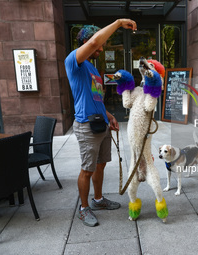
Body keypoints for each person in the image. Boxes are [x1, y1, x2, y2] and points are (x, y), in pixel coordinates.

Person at [64, 19, 137, 227]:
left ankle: (97, 200)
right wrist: (119, 22)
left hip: (101, 123)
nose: (102, 48)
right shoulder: (73, 61)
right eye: (99, 44)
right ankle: (83, 208)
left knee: (100, 165)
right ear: (86, 42)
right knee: (87, 169)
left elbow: (96, 98)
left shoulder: (93, 70)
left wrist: (109, 116)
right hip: (86, 125)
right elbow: (96, 43)